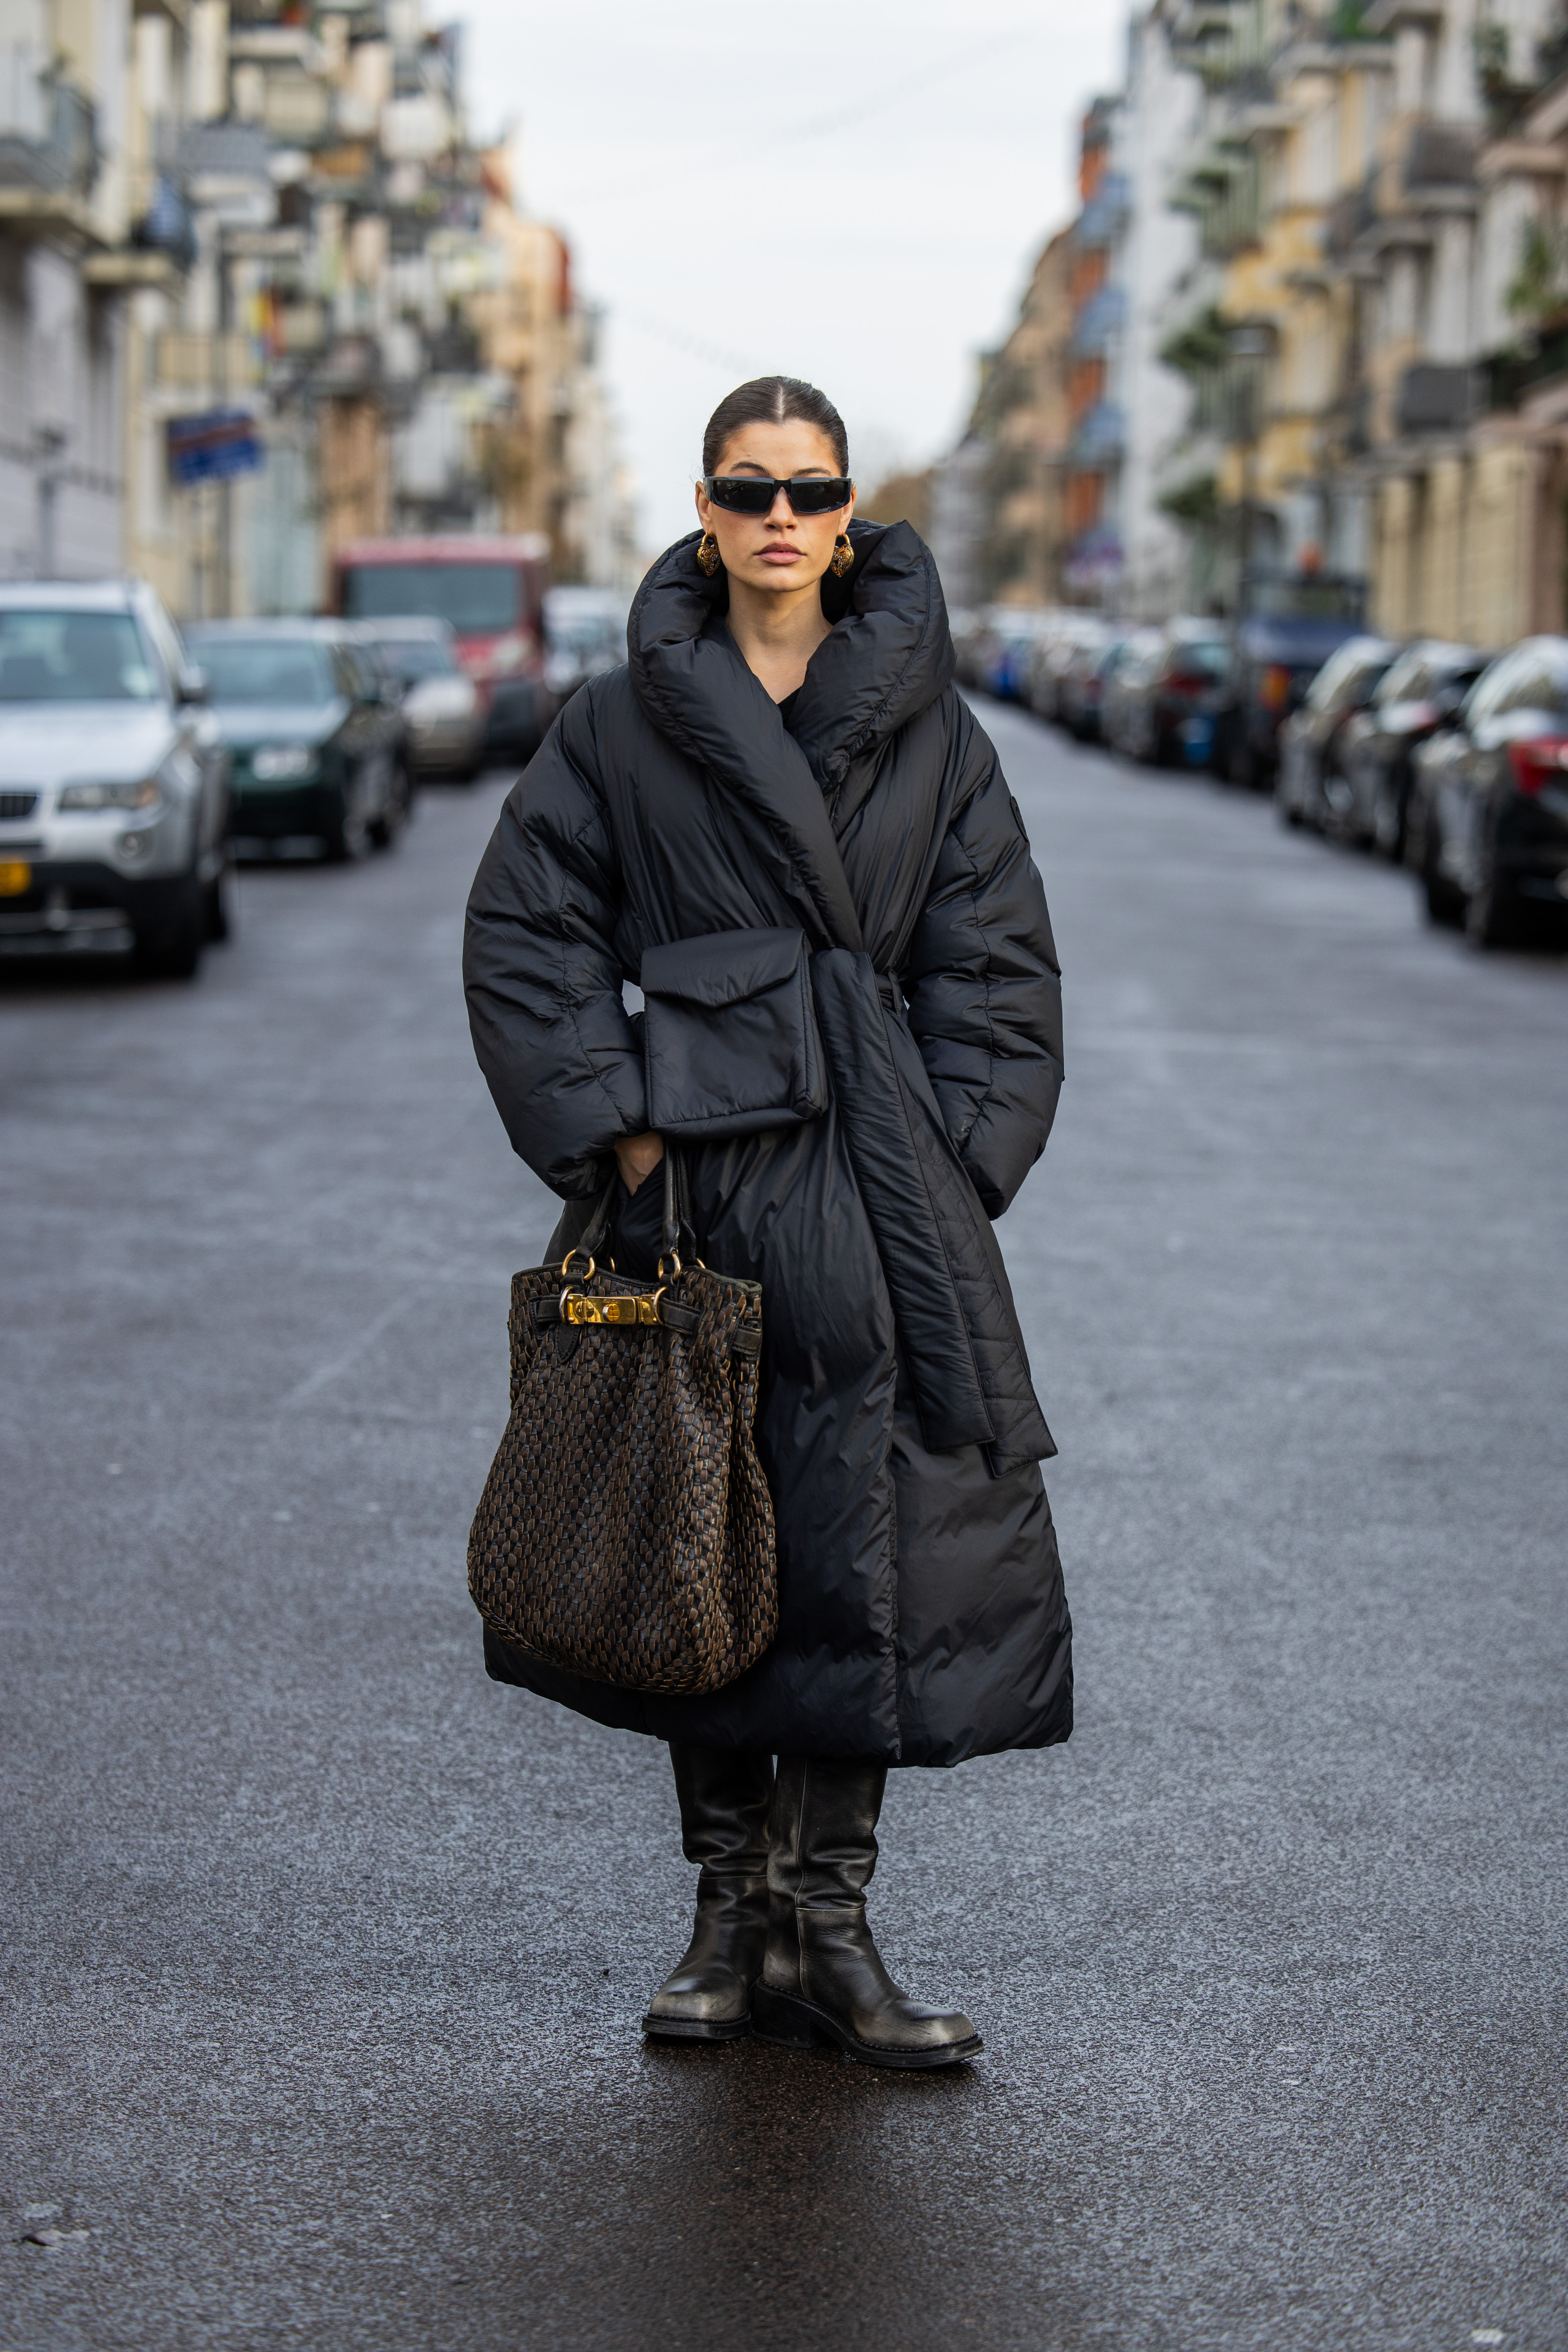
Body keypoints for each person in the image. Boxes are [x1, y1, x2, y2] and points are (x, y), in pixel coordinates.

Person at [465, 376, 1071, 2069]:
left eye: (809, 489)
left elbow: (996, 971)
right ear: (708, 508)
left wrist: (955, 1159)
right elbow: (529, 933)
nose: (780, 518)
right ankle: (728, 1921)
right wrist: (629, 1131)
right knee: (701, 1525)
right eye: (747, 489)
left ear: (850, 510)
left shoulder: (934, 730)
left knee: (859, 1552)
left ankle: (837, 1928)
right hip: (702, 1190)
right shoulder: (619, 721)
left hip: (879, 1201)